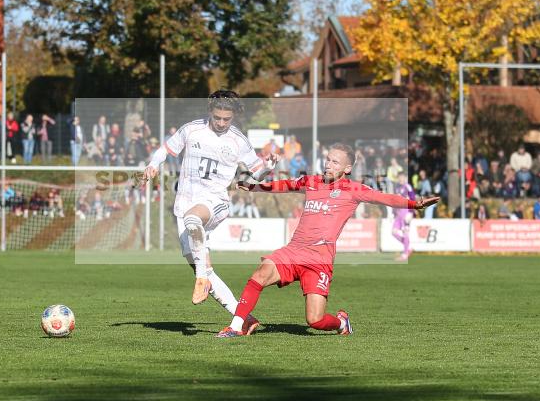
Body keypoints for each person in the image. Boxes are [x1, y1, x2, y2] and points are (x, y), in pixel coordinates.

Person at [216, 143, 439, 338]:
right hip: (293, 251)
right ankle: (236, 326)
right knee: (260, 274)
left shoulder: (354, 190)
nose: (328, 165)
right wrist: (255, 186)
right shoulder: (312, 182)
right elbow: (284, 186)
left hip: (319, 259)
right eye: (328, 160)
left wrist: (414, 204)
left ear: (347, 168)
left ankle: (342, 322)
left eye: (335, 162)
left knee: (315, 320)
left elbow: (385, 198)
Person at [141, 90, 277, 323]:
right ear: (209, 112)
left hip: (215, 201)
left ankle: (202, 279)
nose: (222, 123)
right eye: (218, 118)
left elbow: (257, 173)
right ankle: (244, 317)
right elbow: (165, 149)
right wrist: (153, 165)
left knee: (193, 221)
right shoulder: (191, 129)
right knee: (200, 264)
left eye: (227, 119)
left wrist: (267, 167)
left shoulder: (238, 140)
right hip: (185, 201)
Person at [389, 172, 416, 261]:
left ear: (405, 178)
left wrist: (411, 212)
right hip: (398, 213)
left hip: (406, 212)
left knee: (405, 233)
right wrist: (393, 213)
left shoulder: (407, 187)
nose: (400, 179)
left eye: (402, 177)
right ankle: (408, 247)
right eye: (399, 177)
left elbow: (413, 199)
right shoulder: (397, 188)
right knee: (393, 232)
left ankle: (404, 255)